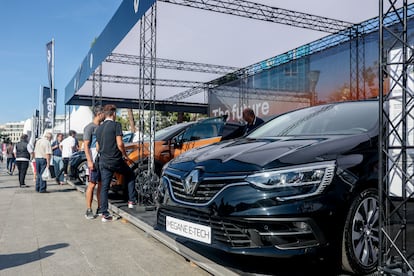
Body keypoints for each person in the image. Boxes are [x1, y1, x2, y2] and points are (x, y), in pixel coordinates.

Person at [95, 104, 137, 222]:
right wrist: (125, 155)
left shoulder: (99, 129)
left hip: (103, 161)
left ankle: (104, 214)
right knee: (130, 174)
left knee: (104, 187)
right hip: (115, 160)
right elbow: (120, 144)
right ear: (113, 114)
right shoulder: (116, 125)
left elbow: (97, 148)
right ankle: (131, 201)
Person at [84, 106, 105, 219]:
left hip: (102, 159)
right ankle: (88, 209)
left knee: (101, 184)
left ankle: (100, 207)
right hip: (94, 159)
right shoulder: (89, 128)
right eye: (103, 114)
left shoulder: (101, 127)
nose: (104, 116)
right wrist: (89, 161)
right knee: (92, 184)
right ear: (99, 114)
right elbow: (86, 146)